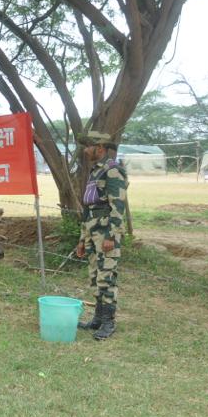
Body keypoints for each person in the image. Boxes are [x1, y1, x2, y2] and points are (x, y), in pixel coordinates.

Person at [74, 131, 128, 340]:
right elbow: (88, 208)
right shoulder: (96, 171)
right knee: (95, 276)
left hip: (106, 231)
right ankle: (97, 318)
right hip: (92, 230)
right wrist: (82, 239)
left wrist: (111, 236)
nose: (85, 151)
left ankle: (108, 322)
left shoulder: (113, 171)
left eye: (88, 147)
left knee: (107, 277)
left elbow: (118, 206)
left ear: (100, 148)